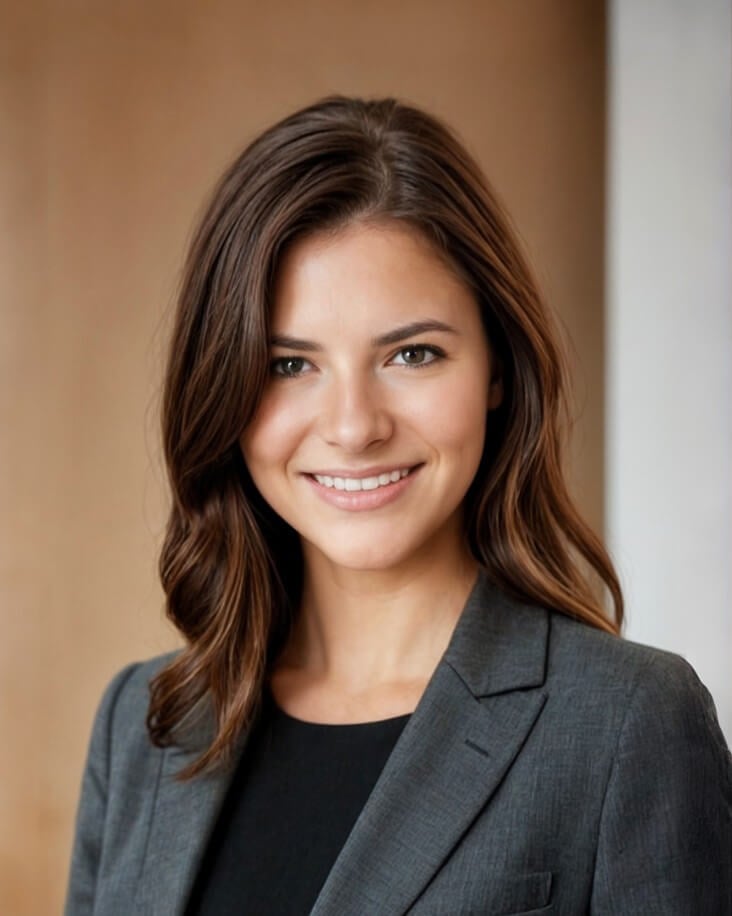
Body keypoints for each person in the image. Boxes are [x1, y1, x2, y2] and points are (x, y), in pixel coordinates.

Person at [64, 96, 731, 916]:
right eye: (289, 365)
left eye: (412, 354)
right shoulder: (143, 725)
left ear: (497, 369)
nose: (353, 427)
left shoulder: (627, 726)